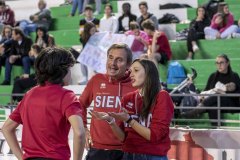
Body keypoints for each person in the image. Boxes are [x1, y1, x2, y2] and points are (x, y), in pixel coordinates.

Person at [2, 47, 86, 160]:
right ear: (63, 71)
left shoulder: (29, 94)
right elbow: (79, 132)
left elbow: (6, 128)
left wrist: (22, 158)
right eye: (70, 69)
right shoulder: (67, 96)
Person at [91, 59, 174, 160]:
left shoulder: (162, 96)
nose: (131, 75)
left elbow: (154, 136)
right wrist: (111, 121)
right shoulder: (127, 98)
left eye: (136, 70)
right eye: (130, 71)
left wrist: (129, 120)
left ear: (148, 73)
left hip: (153, 156)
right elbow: (123, 138)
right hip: (128, 155)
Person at [79, 43, 136, 160]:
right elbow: (80, 105)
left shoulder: (135, 84)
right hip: (96, 150)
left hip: (124, 151)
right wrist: (83, 128)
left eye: (119, 60)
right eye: (110, 58)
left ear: (128, 65)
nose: (113, 64)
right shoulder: (96, 80)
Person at [183, 54, 240, 126]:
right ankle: (216, 130)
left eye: (221, 62)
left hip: (231, 104)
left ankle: (195, 111)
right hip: (214, 103)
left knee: (216, 96)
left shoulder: (234, 76)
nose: (219, 65)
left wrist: (224, 94)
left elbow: (238, 93)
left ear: (227, 63)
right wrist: (203, 97)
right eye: (217, 63)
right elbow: (206, 90)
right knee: (213, 106)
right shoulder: (213, 76)